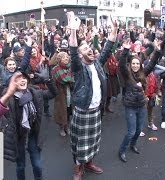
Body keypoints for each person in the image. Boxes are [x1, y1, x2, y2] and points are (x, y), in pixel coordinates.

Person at [68, 11, 117, 180]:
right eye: (85, 49)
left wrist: (114, 29)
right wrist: (73, 31)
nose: (89, 50)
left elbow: (108, 46)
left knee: (94, 141)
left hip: (96, 110)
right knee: (80, 144)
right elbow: (73, 52)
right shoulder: (78, 67)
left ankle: (88, 163)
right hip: (83, 111)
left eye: (89, 47)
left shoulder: (96, 63)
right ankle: (78, 168)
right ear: (80, 56)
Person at [0, 65, 57, 180]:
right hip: (18, 137)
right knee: (20, 166)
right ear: (12, 83)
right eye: (18, 79)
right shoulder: (8, 97)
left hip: (32, 135)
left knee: (37, 165)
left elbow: (53, 94)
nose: (22, 80)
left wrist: (47, 80)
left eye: (24, 78)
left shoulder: (34, 92)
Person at [118, 38, 162, 162]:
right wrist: (126, 50)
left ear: (140, 65)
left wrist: (157, 51)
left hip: (141, 105)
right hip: (130, 106)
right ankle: (122, 150)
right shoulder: (127, 75)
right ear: (130, 65)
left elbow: (152, 63)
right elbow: (121, 64)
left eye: (137, 64)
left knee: (138, 130)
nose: (136, 65)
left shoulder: (144, 73)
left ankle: (133, 145)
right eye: (133, 64)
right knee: (131, 131)